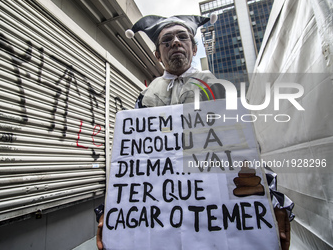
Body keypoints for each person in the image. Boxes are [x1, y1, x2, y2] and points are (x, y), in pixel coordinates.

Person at [95, 14, 294, 250]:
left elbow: (246, 149)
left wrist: (275, 203)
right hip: (162, 211)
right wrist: (111, 211)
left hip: (216, 208)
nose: (176, 42)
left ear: (194, 47)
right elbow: (132, 162)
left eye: (183, 37)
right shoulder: (145, 98)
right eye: (167, 40)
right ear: (158, 55)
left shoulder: (218, 89)